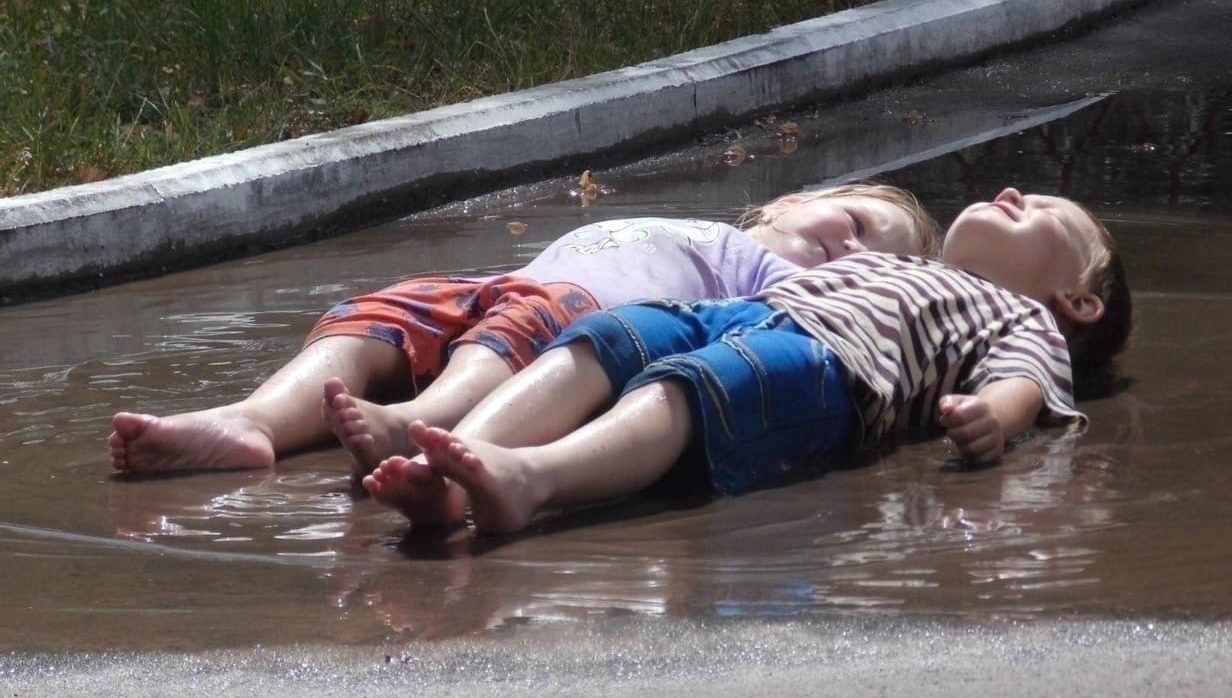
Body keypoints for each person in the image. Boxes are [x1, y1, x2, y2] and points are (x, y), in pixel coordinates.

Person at [362, 187, 1132, 534]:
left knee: (692, 388)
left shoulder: (1021, 314)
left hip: (834, 363)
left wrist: (988, 419)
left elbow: (1024, 384)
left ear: (1080, 301)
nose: (1009, 191)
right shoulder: (918, 269)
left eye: (1042, 210)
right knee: (610, 339)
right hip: (753, 315)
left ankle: (534, 480)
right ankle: (462, 462)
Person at [108, 182, 939, 474]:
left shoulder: (764, 279)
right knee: (377, 313)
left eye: (872, 254)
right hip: (504, 285)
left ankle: (417, 421)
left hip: (572, 321)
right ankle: (253, 419)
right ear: (795, 200)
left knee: (507, 339)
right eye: (859, 219)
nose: (851, 246)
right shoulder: (716, 229)